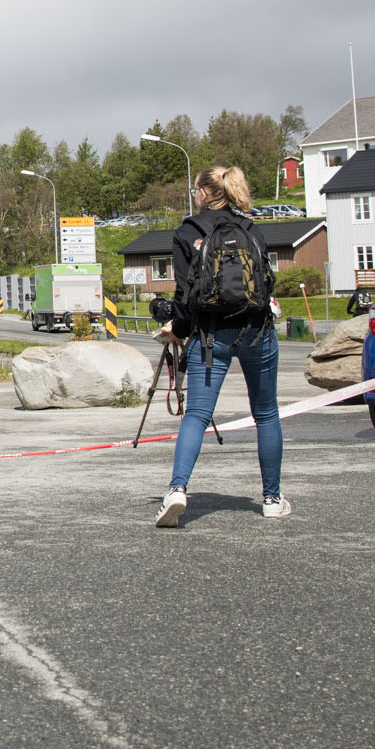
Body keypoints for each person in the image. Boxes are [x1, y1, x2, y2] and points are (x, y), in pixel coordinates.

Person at [154, 164, 287, 527]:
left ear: (206, 193)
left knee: (196, 414)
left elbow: (184, 294)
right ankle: (272, 498)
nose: (195, 194)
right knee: (267, 414)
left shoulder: (187, 232)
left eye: (197, 189)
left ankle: (177, 489)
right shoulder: (251, 229)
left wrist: (177, 328)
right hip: (257, 332)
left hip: (211, 337)